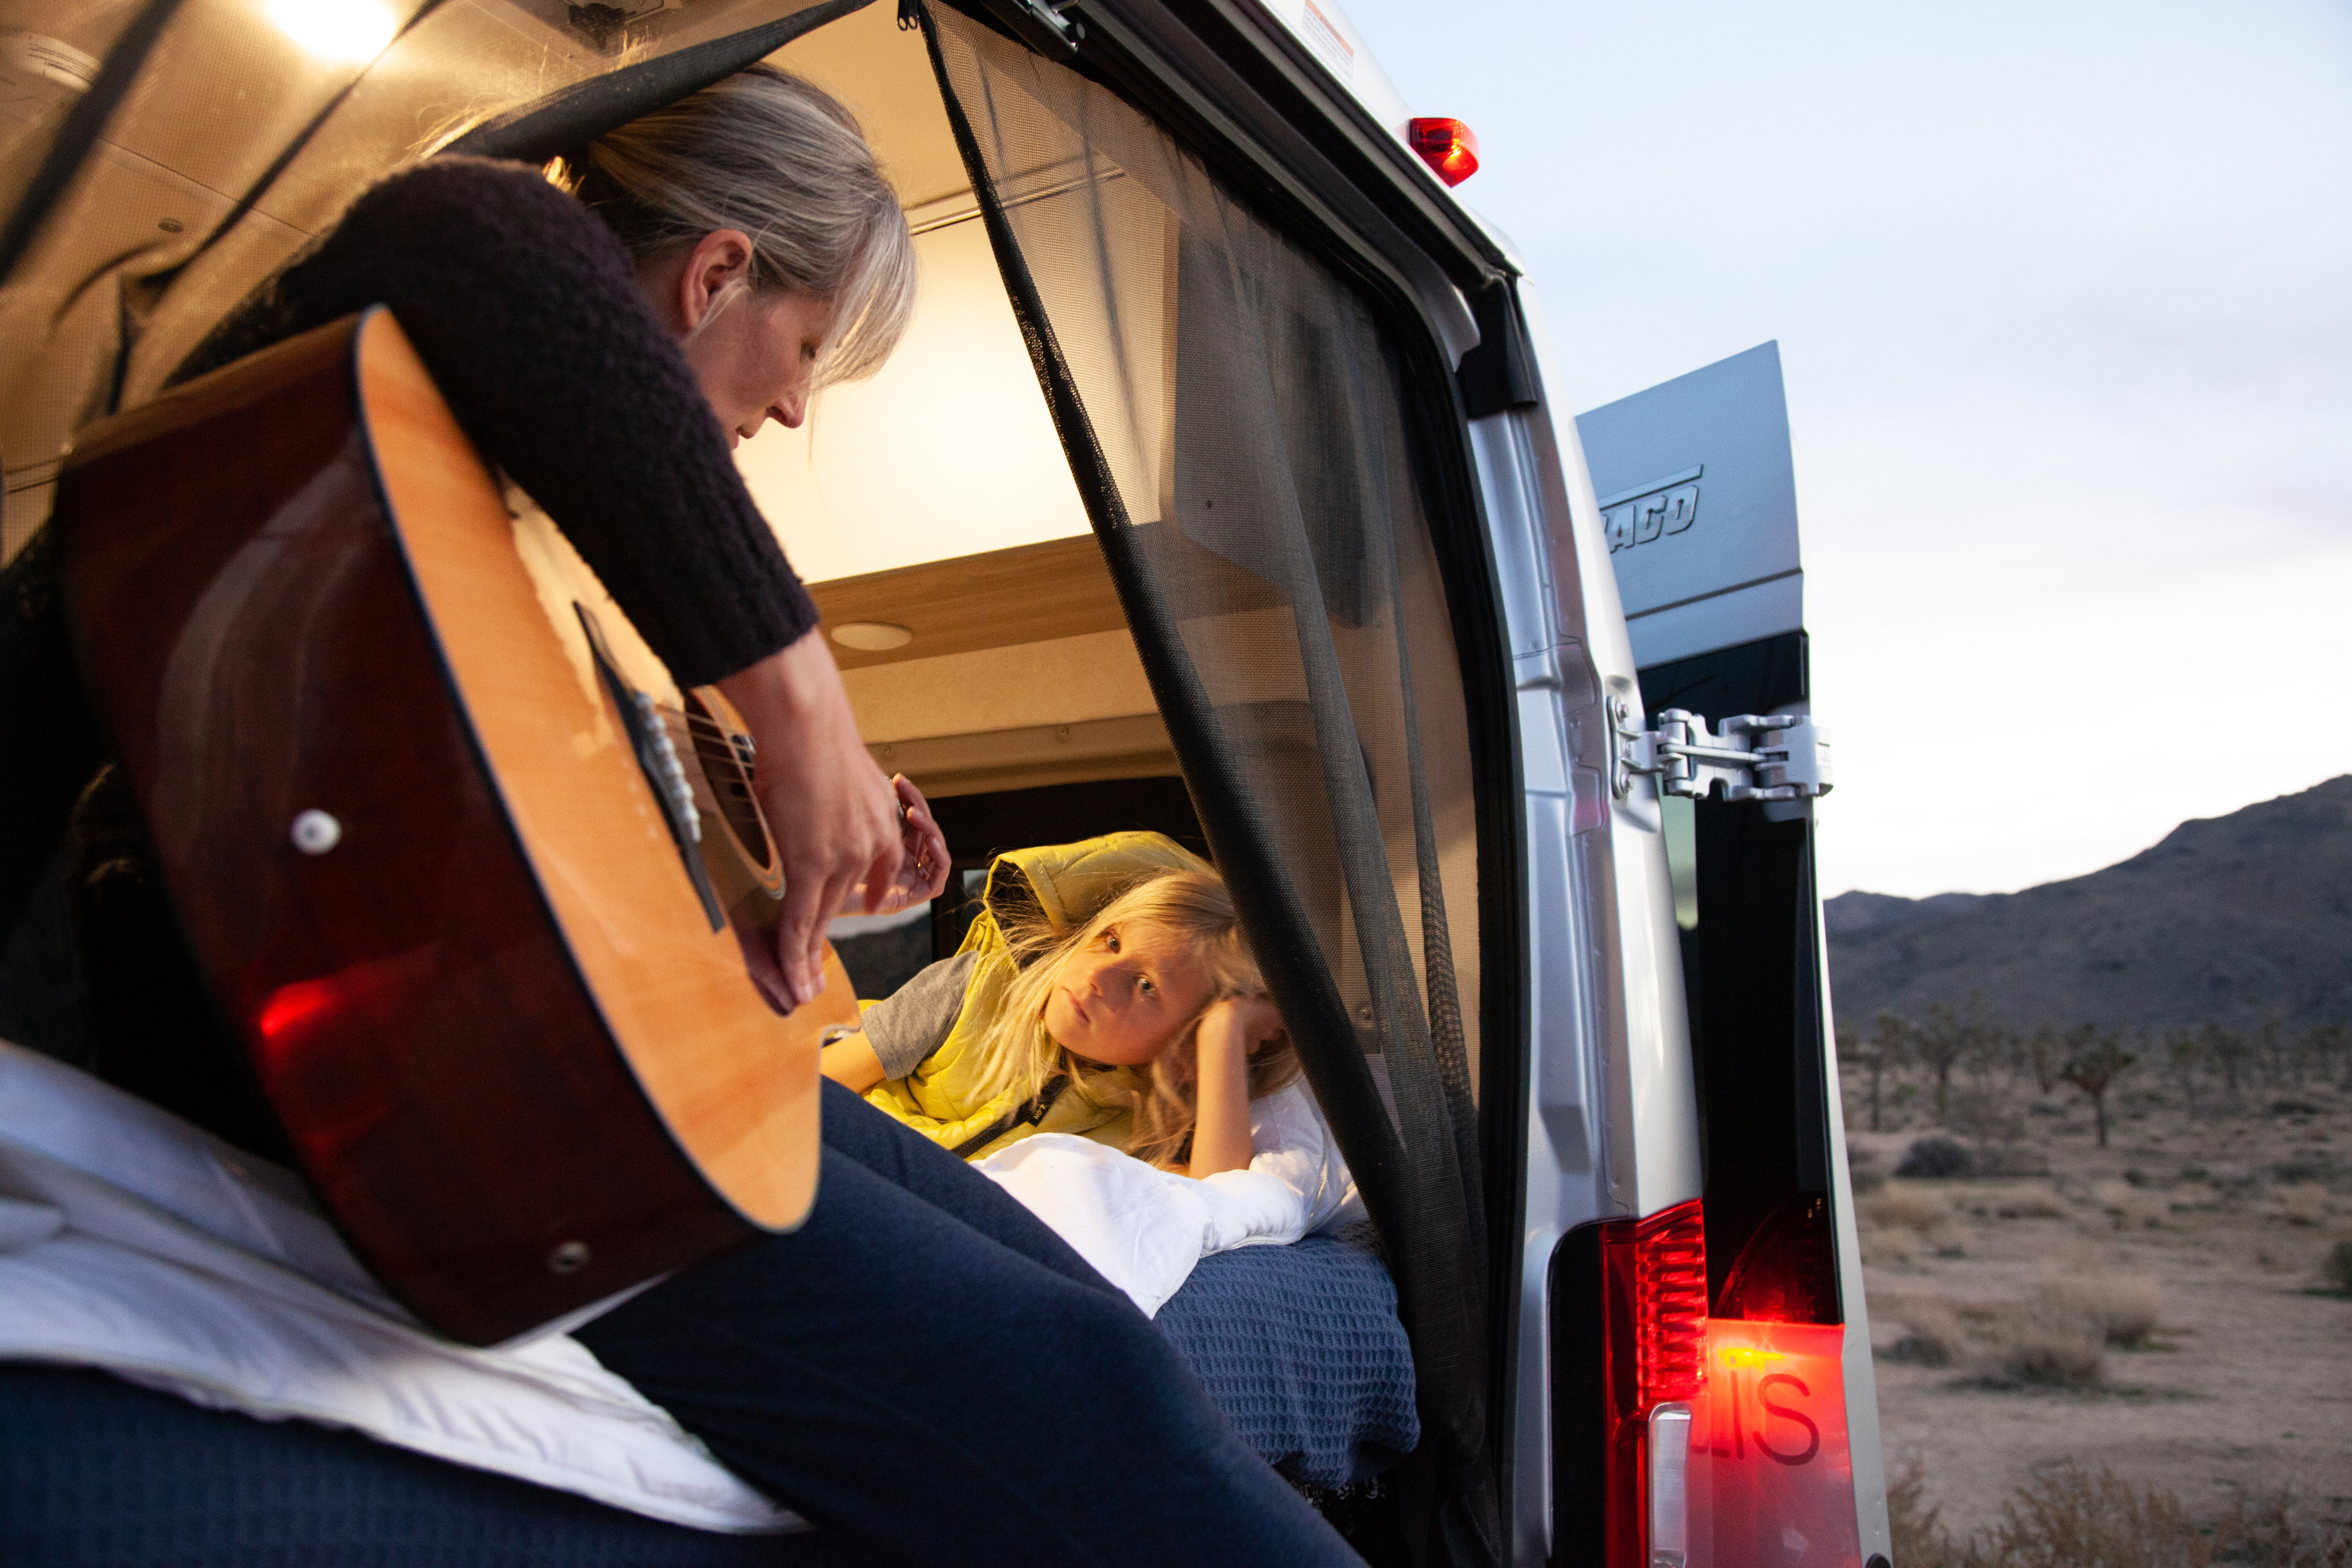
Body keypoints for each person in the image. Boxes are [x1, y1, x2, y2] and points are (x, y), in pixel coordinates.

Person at [0, 65, 1363, 1567]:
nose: (791, 404)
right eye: (800, 349)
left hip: (456, 1000)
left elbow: (541, 870)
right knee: (1088, 1386)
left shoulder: (465, 526)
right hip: (329, 1025)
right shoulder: (369, 367)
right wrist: (798, 706)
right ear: (716, 269)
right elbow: (476, 236)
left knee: (1076, 1297)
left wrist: (786, 859)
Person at [823, 833, 1298, 1178]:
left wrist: (1224, 1031)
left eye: (1146, 985)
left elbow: (1218, 1200)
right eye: (1110, 941)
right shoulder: (973, 987)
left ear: (1184, 1052)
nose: (1096, 977)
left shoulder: (1143, 1128)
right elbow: (817, 1085)